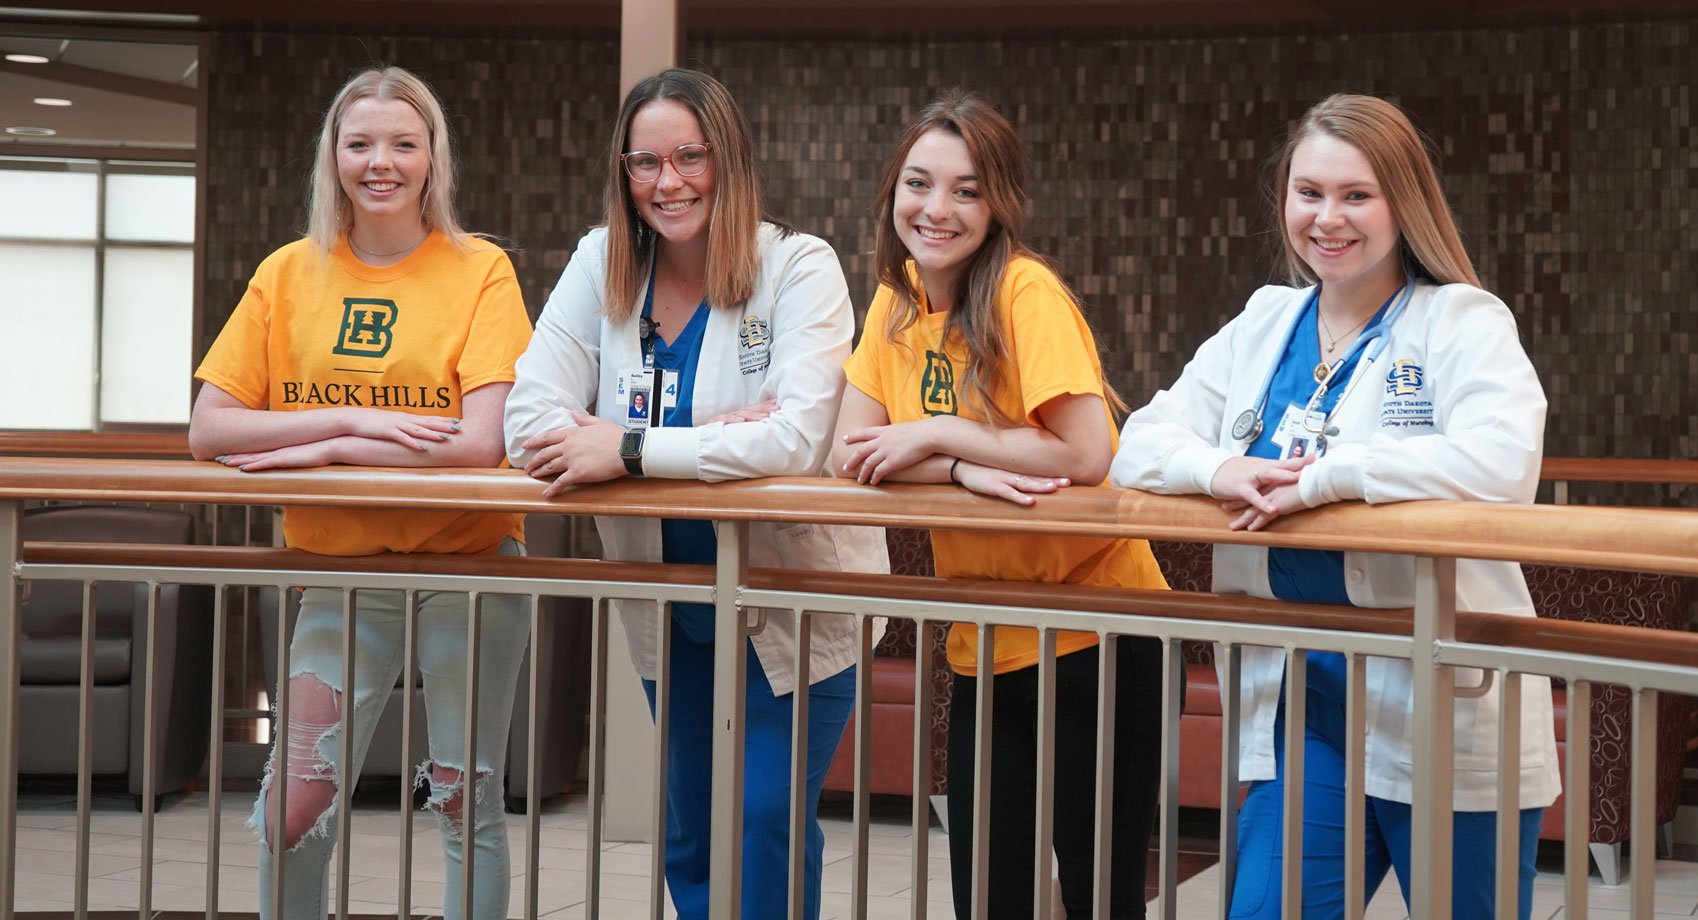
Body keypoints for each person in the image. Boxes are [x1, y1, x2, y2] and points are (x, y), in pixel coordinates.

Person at [1110, 93, 1560, 919]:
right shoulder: (1264, 321)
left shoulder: (1458, 319)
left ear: (1404, 204)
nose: (1328, 218)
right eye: (1308, 193)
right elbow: (1137, 444)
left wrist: (1329, 478)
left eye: (1357, 196)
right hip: (1308, 707)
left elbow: (1502, 466)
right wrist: (1220, 469)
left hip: (1441, 697)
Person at [502, 67, 887, 920]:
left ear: (730, 159)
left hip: (793, 606)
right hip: (673, 611)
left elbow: (795, 438)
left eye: (689, 157)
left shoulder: (798, 268)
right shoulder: (601, 263)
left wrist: (628, 445)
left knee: (763, 819)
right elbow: (527, 418)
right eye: (645, 163)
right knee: (694, 835)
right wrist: (721, 439)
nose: (667, 183)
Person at [187, 66, 533, 920]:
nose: (382, 162)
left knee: (464, 797)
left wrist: (317, 446)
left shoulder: (481, 270)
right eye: (361, 143)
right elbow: (211, 428)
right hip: (338, 573)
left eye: (403, 144)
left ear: (432, 158)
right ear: (333, 156)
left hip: (471, 564)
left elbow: (484, 441)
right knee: (292, 807)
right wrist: (344, 426)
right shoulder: (287, 274)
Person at [830, 90, 1167, 920]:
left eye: (966, 189)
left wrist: (941, 432)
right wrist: (955, 469)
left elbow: (1086, 453)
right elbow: (851, 455)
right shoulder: (896, 299)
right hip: (985, 637)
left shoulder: (1025, 292)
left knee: (1098, 896)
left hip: (1099, 633)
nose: (936, 208)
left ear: (999, 203)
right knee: (991, 893)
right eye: (918, 183)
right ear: (892, 192)